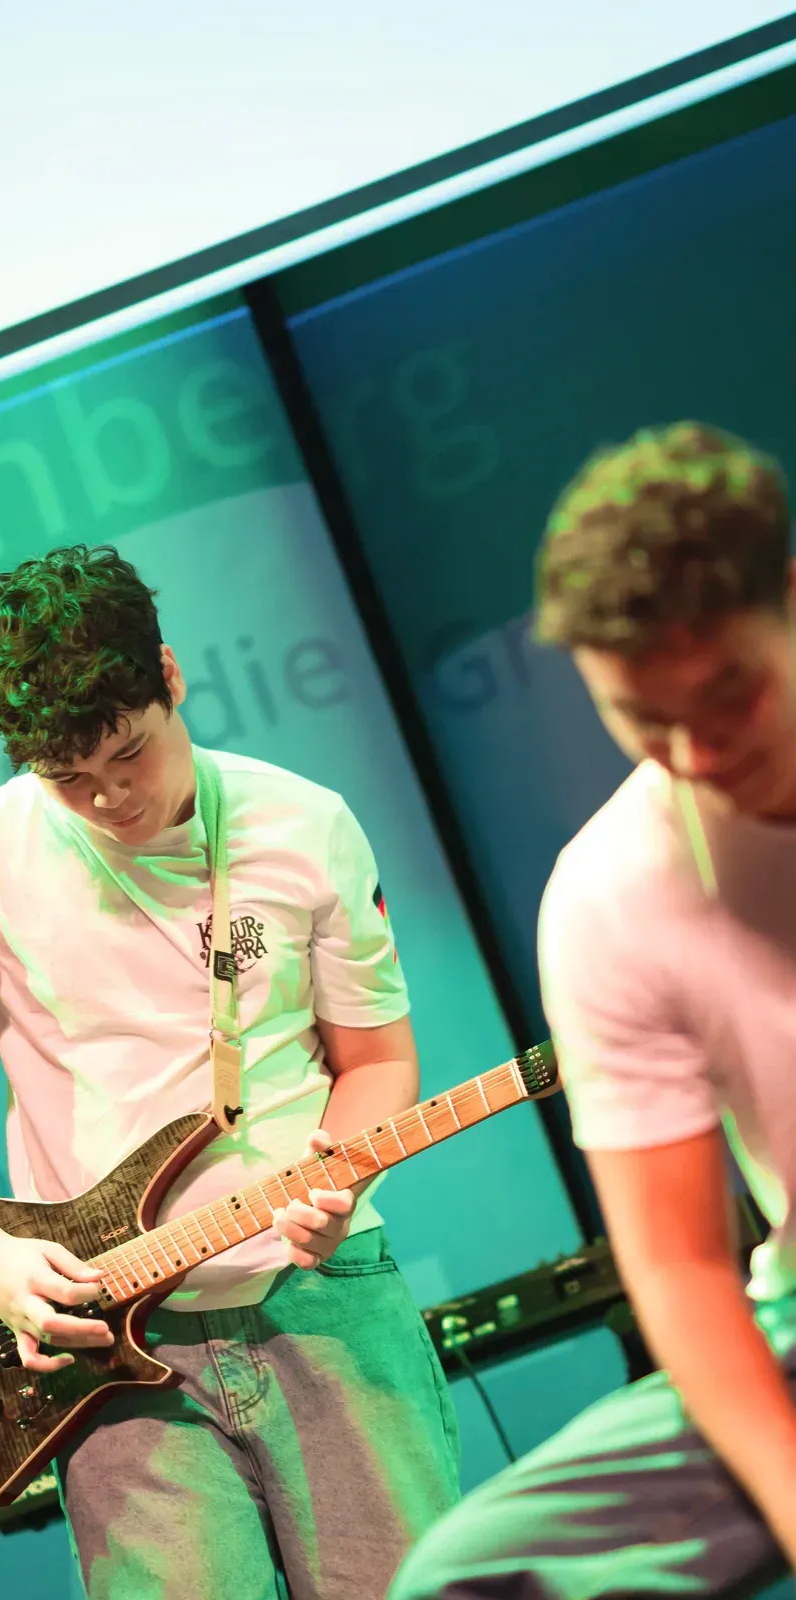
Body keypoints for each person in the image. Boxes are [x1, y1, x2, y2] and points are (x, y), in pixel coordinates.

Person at [0, 544, 459, 1600]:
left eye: (128, 751)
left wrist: (345, 1176)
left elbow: (377, 1058)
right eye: (68, 778)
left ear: (168, 674)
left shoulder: (304, 824)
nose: (110, 795)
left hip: (321, 1299)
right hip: (105, 1356)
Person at [391, 421, 796, 1600]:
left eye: (726, 695)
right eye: (643, 718)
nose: (695, 751)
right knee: (462, 1581)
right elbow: (678, 1266)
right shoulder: (609, 894)